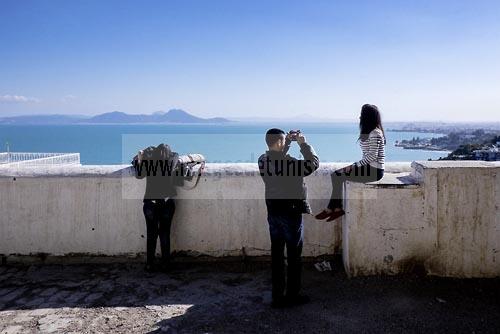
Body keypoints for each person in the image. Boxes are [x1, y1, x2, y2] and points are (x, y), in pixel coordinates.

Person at [258, 128, 319, 308]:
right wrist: (303, 143)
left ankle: (277, 296)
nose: (285, 144)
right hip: (290, 213)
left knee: (276, 255)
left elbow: (278, 155)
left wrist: (289, 141)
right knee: (293, 256)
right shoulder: (291, 164)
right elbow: (313, 163)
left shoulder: (262, 160)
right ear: (278, 142)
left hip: (273, 212)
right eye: (283, 141)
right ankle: (292, 295)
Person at [316, 104, 386, 222]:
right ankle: (336, 209)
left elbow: (372, 156)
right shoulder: (370, 132)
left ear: (367, 117)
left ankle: (332, 209)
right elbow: (367, 155)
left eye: (362, 115)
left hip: (375, 171)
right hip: (369, 168)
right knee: (336, 175)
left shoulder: (375, 133)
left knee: (337, 175)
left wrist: (353, 166)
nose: (359, 117)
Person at [132, 144, 184, 272]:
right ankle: (166, 264)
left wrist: (146, 154)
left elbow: (139, 175)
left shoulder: (149, 162)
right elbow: (176, 155)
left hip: (150, 203)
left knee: (151, 234)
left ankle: (150, 264)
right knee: (165, 234)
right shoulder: (172, 162)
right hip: (166, 203)